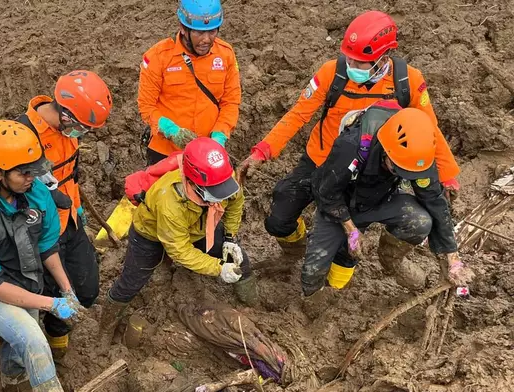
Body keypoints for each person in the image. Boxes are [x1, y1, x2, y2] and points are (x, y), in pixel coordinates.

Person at [236, 11, 461, 261]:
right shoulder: (332, 73)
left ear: (383, 58)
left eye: (359, 63)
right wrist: (262, 152)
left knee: (348, 241)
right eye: (348, 59)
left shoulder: (406, 82)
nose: (351, 66)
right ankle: (295, 250)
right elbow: (297, 115)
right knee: (279, 218)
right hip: (320, 160)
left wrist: (447, 174)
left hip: (368, 171)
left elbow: (428, 130)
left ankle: (371, 263)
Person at [0, 120, 85, 391]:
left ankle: (11, 381)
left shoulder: (36, 193)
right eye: (25, 173)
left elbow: (46, 245)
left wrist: (67, 290)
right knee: (33, 339)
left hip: (27, 281)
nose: (33, 178)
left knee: (21, 336)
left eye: (34, 171)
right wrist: (51, 304)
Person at [302, 101, 474, 296]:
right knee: (313, 271)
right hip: (339, 204)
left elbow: (435, 202)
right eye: (398, 169)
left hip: (381, 198)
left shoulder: (419, 156)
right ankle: (314, 296)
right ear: (386, 149)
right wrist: (351, 229)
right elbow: (326, 191)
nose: (405, 174)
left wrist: (453, 258)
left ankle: (386, 259)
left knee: (420, 221)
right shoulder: (352, 146)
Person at [99, 137, 255, 349]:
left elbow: (236, 202)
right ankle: (105, 330)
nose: (221, 195)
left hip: (200, 226)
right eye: (215, 192)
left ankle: (253, 306)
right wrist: (218, 268)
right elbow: (181, 251)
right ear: (193, 182)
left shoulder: (223, 179)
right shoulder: (170, 201)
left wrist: (229, 237)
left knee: (241, 261)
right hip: (151, 234)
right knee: (131, 282)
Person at [16, 70, 110, 358]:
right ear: (66, 114)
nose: (83, 134)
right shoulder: (22, 135)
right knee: (43, 293)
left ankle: (58, 340)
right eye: (83, 127)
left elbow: (72, 173)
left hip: (69, 221)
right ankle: (28, 345)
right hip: (36, 232)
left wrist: (78, 209)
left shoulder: (68, 132)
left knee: (86, 290)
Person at [138, 0, 241, 164]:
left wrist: (220, 135)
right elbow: (146, 106)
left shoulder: (225, 55)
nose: (206, 39)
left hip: (207, 152)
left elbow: (231, 102)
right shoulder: (158, 56)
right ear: (183, 28)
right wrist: (170, 130)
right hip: (165, 152)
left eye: (212, 31)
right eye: (199, 33)